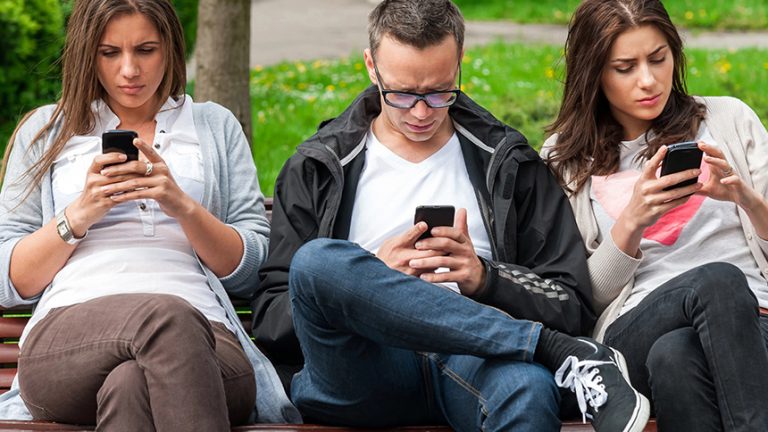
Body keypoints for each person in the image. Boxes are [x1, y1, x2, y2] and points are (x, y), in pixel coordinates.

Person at [252, 1, 650, 431]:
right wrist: (371, 280)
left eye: (440, 91)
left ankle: (537, 349)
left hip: (475, 360)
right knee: (318, 262)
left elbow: (569, 302)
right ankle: (547, 347)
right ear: (371, 66)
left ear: (460, 61)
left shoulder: (509, 162)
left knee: (527, 389)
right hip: (362, 366)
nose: (421, 112)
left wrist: (484, 278)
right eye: (402, 93)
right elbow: (273, 314)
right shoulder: (318, 165)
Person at [0, 0, 300, 428]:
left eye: (145, 50)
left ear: (171, 49)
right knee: (166, 316)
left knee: (130, 385)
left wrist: (183, 206)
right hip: (70, 342)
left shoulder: (214, 126)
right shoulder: (47, 131)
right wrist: (79, 214)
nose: (129, 70)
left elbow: (253, 269)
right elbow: (8, 281)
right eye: (110, 53)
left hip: (209, 343)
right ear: (88, 53)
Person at [542, 0, 768, 430]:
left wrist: (744, 197)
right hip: (634, 330)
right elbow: (575, 302)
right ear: (594, 73)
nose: (648, 81)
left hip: (754, 323)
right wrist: (632, 222)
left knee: (676, 357)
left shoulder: (730, 120)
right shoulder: (563, 160)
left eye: (658, 59)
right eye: (625, 68)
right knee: (716, 280)